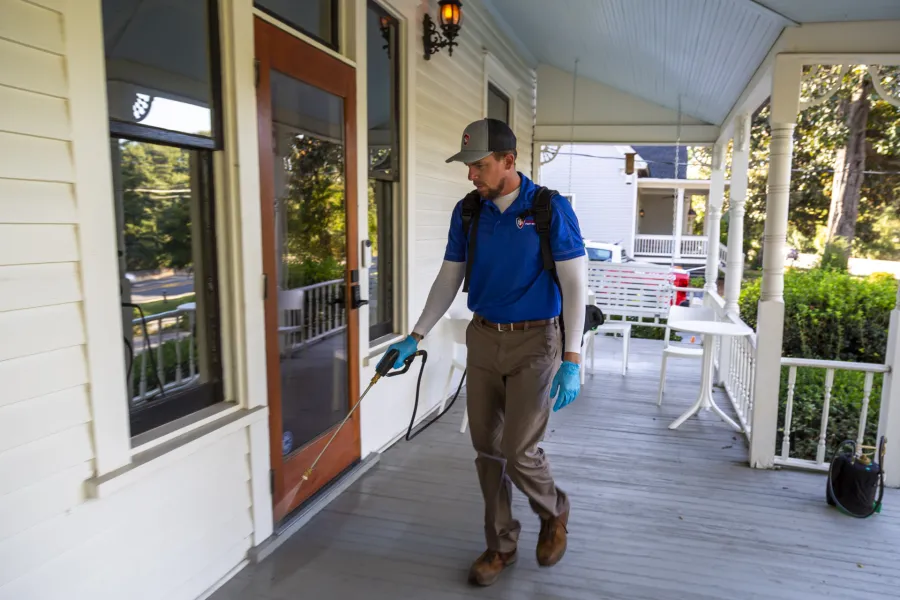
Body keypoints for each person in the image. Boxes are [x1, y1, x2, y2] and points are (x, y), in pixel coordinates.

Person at [386, 118, 586, 586]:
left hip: (537, 341)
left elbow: (576, 284)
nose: (470, 175)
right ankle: (500, 545)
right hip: (483, 337)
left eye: (478, 165)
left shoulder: (548, 208)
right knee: (486, 450)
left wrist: (572, 359)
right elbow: (450, 276)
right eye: (468, 166)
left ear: (508, 162)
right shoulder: (469, 211)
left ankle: (554, 511)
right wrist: (414, 335)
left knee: (518, 450)